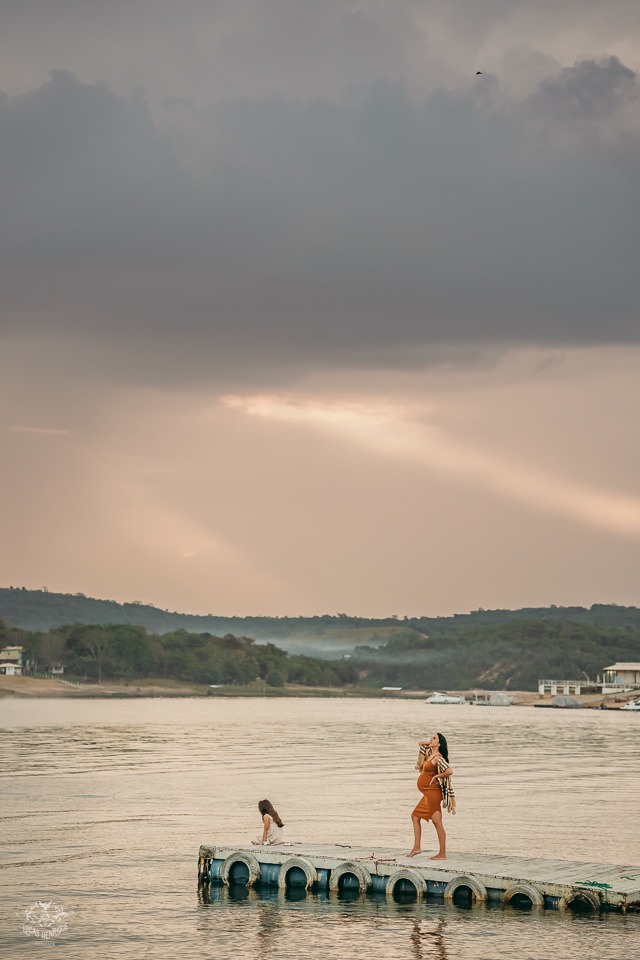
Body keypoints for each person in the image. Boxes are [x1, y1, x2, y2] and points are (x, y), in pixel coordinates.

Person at [407, 732, 455, 859]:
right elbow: (420, 743)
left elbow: (449, 771)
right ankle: (418, 848)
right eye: (431, 738)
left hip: (433, 792)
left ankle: (440, 853)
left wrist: (437, 776)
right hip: (430, 792)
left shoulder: (438, 758)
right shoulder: (430, 754)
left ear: (439, 743)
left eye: (434, 738)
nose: (430, 739)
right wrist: (432, 744)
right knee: (427, 820)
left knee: (422, 818)